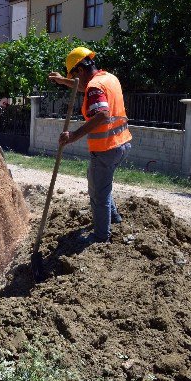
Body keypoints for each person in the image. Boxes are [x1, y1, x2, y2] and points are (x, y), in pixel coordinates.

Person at [48, 47, 132, 243]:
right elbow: (82, 86)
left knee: (98, 194)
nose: (75, 79)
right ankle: (115, 217)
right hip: (123, 143)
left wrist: (74, 135)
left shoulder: (94, 87)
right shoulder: (108, 78)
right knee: (103, 183)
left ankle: (101, 237)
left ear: (79, 70)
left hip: (106, 148)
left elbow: (102, 114)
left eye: (73, 74)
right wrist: (62, 81)